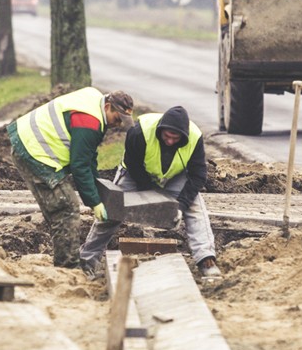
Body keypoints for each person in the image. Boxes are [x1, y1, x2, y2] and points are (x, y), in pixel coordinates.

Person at [80, 105, 221, 278]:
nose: (170, 141)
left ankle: (206, 259)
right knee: (113, 208)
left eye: (175, 138)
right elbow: (134, 164)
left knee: (195, 208)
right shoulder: (139, 132)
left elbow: (198, 176)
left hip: (174, 175)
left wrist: (180, 206)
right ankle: (87, 261)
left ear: (183, 136)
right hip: (136, 174)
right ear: (161, 130)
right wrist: (152, 196)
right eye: (167, 136)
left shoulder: (194, 137)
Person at [8, 88, 134, 269]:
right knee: (67, 206)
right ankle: (68, 268)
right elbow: (79, 165)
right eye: (117, 119)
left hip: (27, 142)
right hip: (34, 152)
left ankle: (63, 259)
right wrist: (94, 202)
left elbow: (88, 156)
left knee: (58, 209)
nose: (118, 125)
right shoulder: (89, 122)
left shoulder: (94, 103)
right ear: (108, 107)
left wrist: (99, 191)